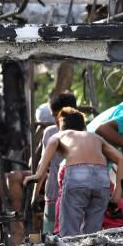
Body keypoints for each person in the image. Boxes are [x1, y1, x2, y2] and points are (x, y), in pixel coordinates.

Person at [25, 108, 123, 237]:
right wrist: (116, 196)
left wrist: (36, 176)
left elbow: (43, 164)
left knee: (69, 234)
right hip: (102, 178)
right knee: (92, 235)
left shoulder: (59, 135)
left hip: (78, 175)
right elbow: (122, 160)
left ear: (60, 126)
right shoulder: (96, 138)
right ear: (84, 127)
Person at [37, 92, 78, 235]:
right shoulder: (50, 133)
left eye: (57, 115)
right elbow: (42, 165)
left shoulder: (84, 133)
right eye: (53, 115)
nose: (55, 119)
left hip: (76, 195)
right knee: (51, 240)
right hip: (54, 193)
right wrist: (35, 195)